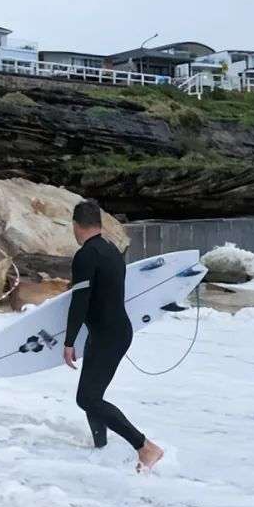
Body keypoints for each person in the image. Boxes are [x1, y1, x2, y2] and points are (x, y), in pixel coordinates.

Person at [63, 199, 164, 472]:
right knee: (91, 395)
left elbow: (80, 301)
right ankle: (101, 447)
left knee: (87, 398)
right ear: (99, 223)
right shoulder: (111, 250)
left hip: (108, 336)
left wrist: (69, 341)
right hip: (112, 332)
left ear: (76, 225)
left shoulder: (86, 255)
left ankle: (145, 447)